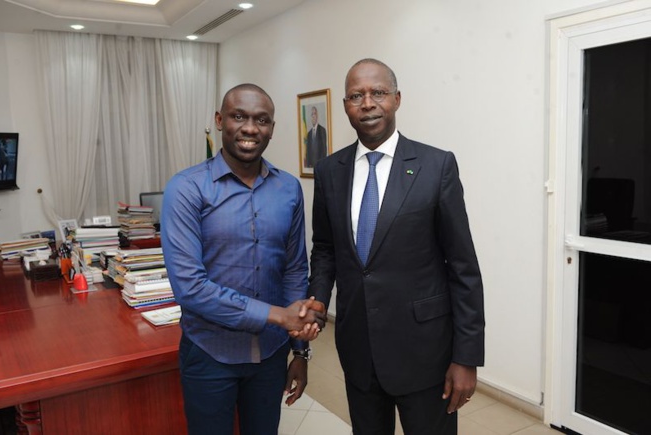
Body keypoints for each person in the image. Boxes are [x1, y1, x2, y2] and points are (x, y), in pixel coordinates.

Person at [307, 59, 485, 435]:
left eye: (378, 93)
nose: (367, 103)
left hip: (425, 354)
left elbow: (462, 265)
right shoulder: (328, 171)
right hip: (358, 351)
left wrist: (466, 357)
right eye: (356, 95)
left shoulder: (436, 166)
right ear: (345, 106)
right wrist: (318, 300)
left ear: (397, 99)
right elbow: (324, 248)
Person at [162, 83, 326, 435]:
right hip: (209, 353)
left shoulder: (288, 188)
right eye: (239, 117)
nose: (250, 128)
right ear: (220, 121)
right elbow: (190, 288)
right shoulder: (186, 188)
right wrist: (277, 316)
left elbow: (295, 269)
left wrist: (299, 351)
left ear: (271, 128)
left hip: (270, 355)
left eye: (261, 120)